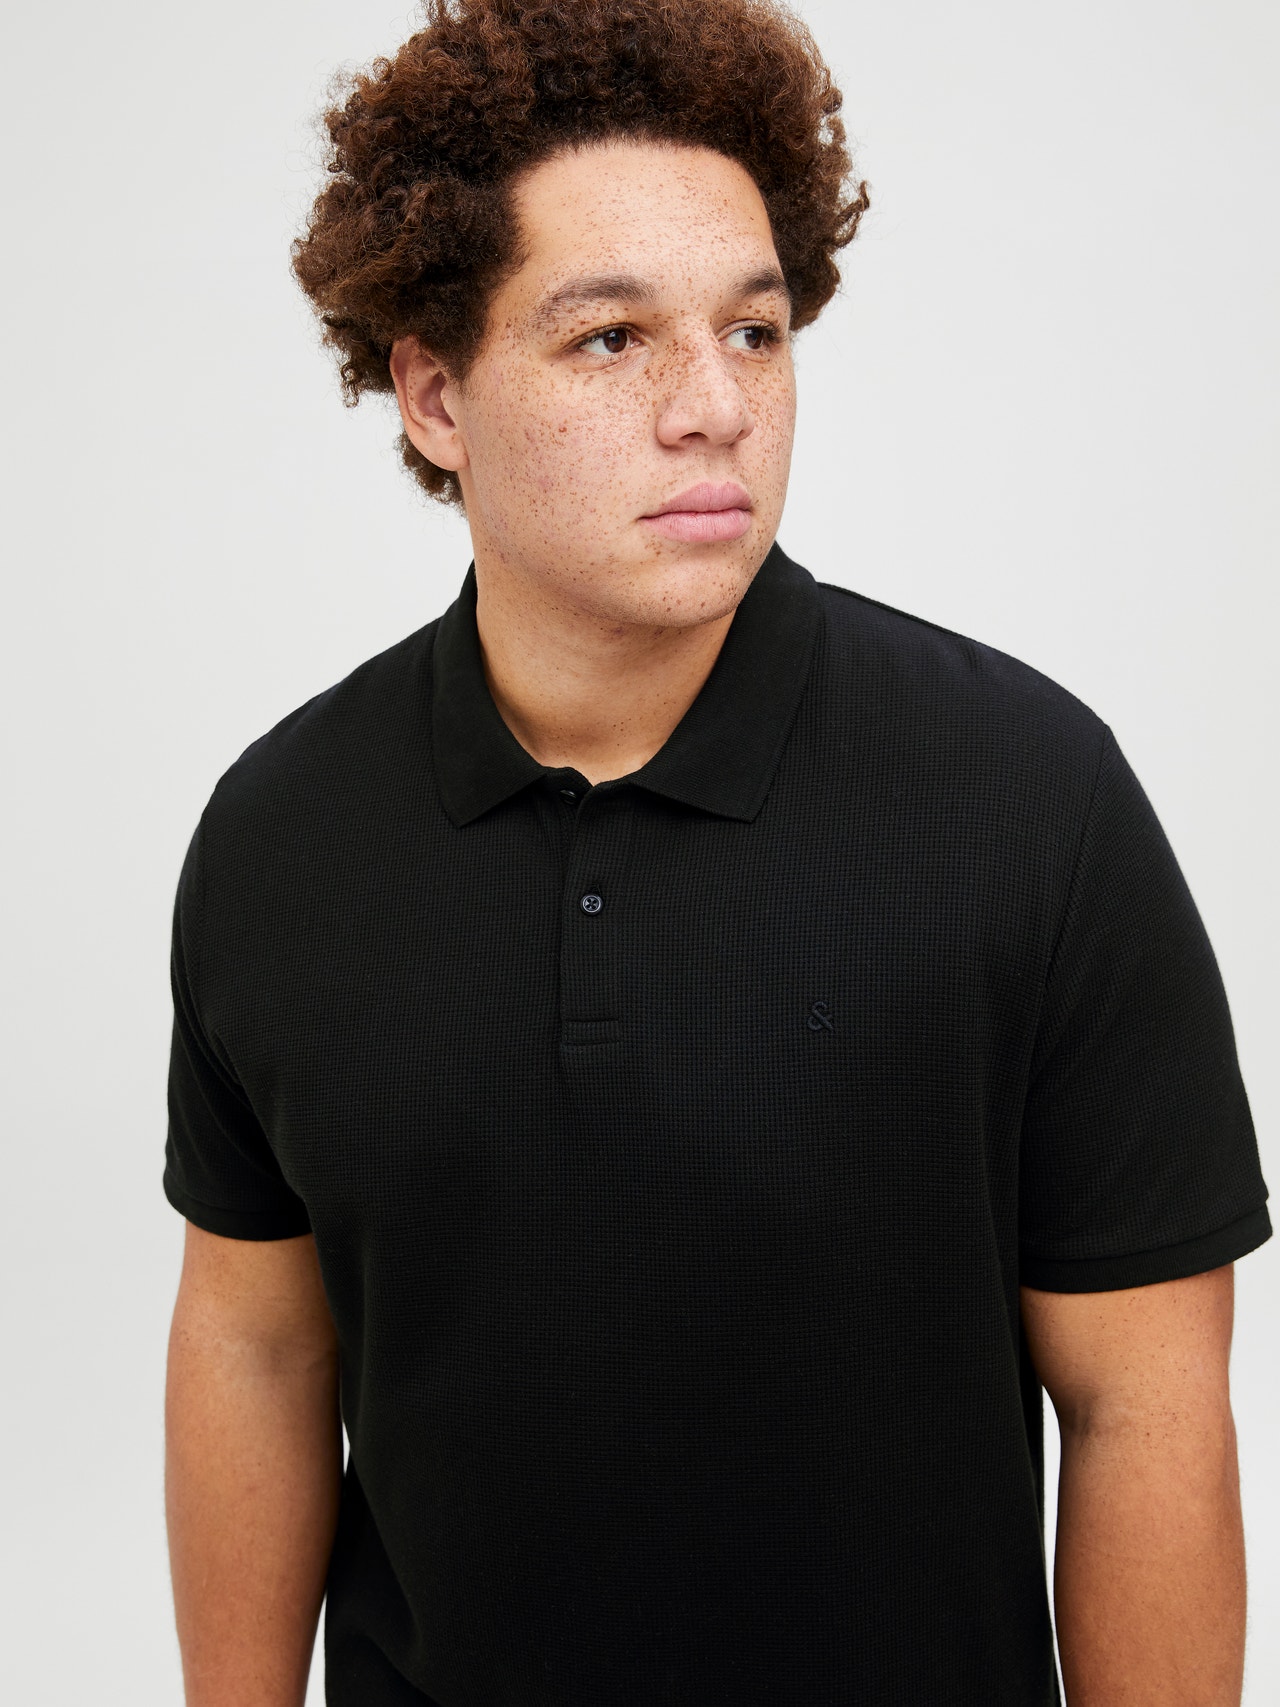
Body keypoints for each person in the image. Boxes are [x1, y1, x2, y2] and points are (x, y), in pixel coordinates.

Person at [161, 2, 1271, 1703]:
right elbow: (254, 1346)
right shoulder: (278, 836)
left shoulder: (1031, 801)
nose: (715, 408)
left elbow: (1147, 1403)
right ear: (437, 394)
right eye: (612, 339)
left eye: (755, 331)